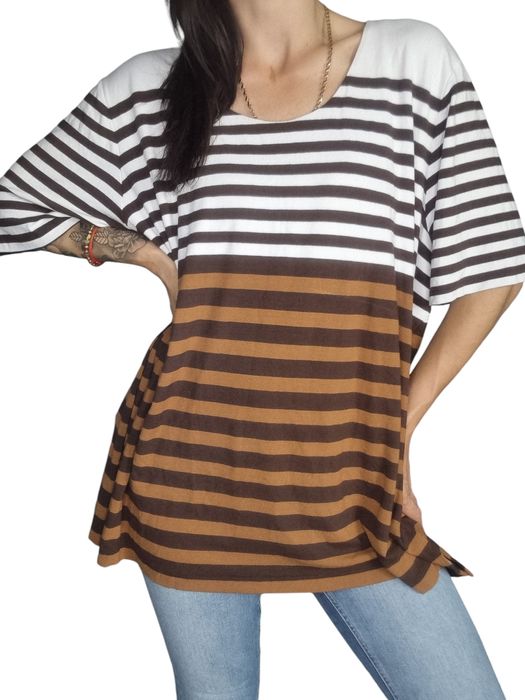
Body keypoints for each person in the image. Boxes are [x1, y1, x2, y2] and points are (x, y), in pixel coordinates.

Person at [1, 1, 523, 698]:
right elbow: (11, 206)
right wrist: (145, 254)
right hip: (189, 473)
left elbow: (492, 269)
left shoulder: (411, 62)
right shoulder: (151, 88)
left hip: (347, 477)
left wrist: (393, 432)